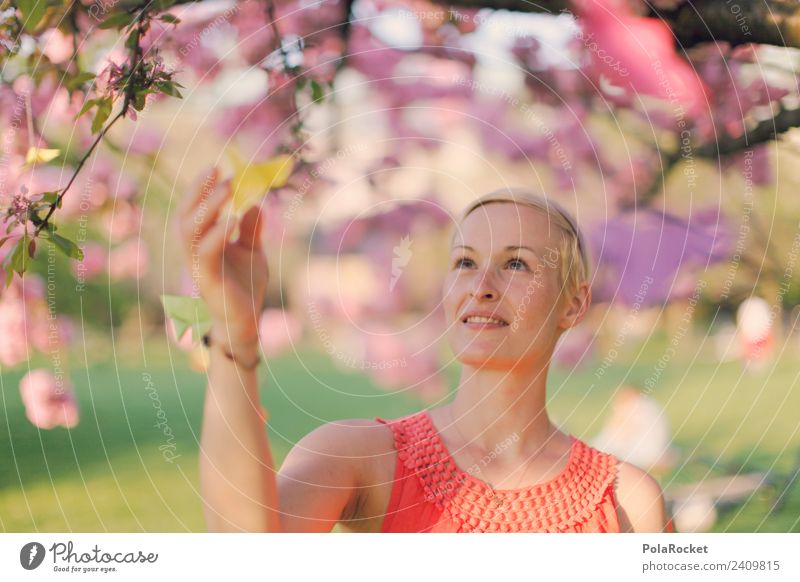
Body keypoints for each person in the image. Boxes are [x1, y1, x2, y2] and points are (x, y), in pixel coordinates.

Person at [179, 174, 673, 533]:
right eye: (464, 262)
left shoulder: (628, 502)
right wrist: (234, 334)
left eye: (516, 263)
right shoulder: (360, 457)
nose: (480, 286)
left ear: (574, 303)